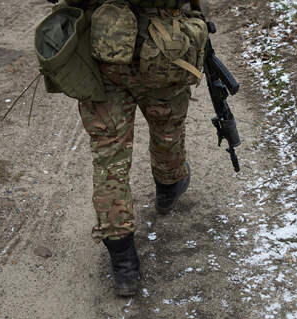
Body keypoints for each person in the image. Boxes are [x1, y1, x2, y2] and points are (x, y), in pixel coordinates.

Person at [46, 0, 205, 297]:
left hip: (103, 56)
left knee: (109, 158)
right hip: (163, 54)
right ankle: (169, 189)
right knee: (167, 132)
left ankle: (124, 264)